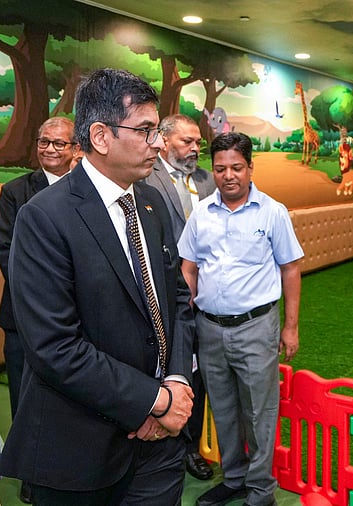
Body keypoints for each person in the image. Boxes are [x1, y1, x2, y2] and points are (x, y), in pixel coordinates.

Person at [0, 68, 195, 505]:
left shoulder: (150, 202)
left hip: (161, 447)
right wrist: (153, 401)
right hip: (82, 449)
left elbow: (177, 300)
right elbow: (55, 347)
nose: (158, 143)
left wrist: (177, 379)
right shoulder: (44, 216)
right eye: (145, 130)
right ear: (101, 136)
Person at [179, 132, 303, 506]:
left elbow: (291, 269)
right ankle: (234, 478)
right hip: (209, 328)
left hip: (256, 327)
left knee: (259, 412)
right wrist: (186, 316)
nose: (228, 175)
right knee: (223, 409)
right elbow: (189, 268)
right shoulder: (202, 213)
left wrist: (290, 327)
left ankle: (261, 490)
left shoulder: (272, 212)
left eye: (236, 167)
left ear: (250, 167)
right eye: (220, 169)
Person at [0, 116, 78, 504]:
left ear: (76, 148)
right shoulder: (16, 191)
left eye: (59, 143)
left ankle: (68, 465)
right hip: (25, 315)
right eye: (44, 142)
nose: (50, 149)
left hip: (78, 315)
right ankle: (29, 471)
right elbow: (7, 250)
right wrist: (51, 293)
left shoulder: (87, 189)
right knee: (25, 395)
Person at [143, 113, 217, 481]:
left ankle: (191, 445)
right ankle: (160, 434)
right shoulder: (146, 177)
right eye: (187, 141)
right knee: (169, 365)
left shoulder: (206, 180)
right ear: (165, 140)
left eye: (198, 142)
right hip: (164, 291)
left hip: (208, 293)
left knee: (198, 373)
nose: (194, 148)